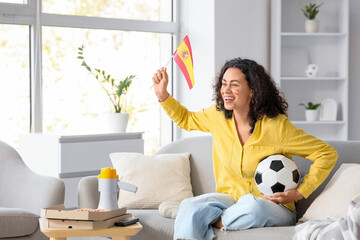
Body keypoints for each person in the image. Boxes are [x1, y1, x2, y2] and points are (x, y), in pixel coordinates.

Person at [152, 58, 337, 240]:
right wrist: (163, 96)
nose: (226, 90)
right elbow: (186, 119)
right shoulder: (217, 116)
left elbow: (326, 153)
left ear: (252, 91)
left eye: (234, 85)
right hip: (230, 202)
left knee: (254, 207)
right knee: (189, 206)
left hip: (271, 207)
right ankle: (195, 215)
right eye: (223, 84)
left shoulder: (277, 127)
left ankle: (207, 219)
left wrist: (299, 192)